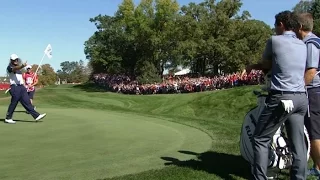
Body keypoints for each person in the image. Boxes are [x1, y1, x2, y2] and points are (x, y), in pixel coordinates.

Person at [243, 11, 308, 180]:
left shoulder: (274, 41)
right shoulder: (303, 44)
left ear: (281, 24)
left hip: (282, 97)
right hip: (301, 97)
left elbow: (266, 65)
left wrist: (252, 66)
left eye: (275, 26)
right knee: (297, 144)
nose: (274, 29)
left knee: (260, 138)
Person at [295, 12, 320, 178]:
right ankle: (317, 167)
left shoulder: (310, 43)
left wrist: (298, 88)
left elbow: (311, 70)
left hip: (312, 91)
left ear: (300, 27)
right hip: (315, 91)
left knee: (313, 132)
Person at [4, 54, 46, 124]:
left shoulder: (19, 70)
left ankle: (36, 116)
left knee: (27, 102)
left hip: (21, 87)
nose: (15, 61)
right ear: (11, 60)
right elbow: (15, 69)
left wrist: (25, 86)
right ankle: (8, 118)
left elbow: (20, 78)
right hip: (15, 87)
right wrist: (22, 66)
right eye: (14, 60)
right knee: (13, 103)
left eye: (16, 59)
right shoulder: (10, 67)